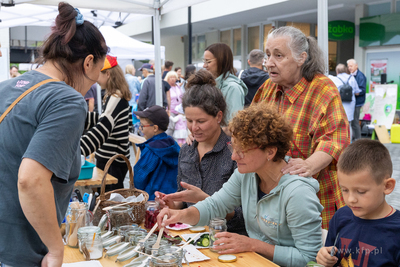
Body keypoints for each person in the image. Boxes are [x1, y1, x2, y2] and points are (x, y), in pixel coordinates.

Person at [0, 3, 108, 266]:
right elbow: (31, 179)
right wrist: (55, 247)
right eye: (93, 80)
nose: (87, 90)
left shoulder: (6, 88)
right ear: (88, 62)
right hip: (21, 253)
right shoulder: (68, 100)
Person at [157, 102, 323, 267]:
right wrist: (179, 215)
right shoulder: (247, 175)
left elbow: (310, 259)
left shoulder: (298, 193)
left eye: (242, 150)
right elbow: (215, 205)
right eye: (233, 148)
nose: (234, 157)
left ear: (270, 152)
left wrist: (253, 244)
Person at [253, 26, 350, 229]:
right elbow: (250, 126)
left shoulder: (323, 88)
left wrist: (308, 165)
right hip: (275, 194)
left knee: (316, 256)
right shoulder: (268, 87)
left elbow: (335, 139)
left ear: (301, 58)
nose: (269, 63)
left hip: (316, 195)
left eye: (278, 56)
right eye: (268, 55)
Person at [155, 70, 249, 236]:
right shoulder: (186, 151)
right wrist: (170, 204)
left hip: (227, 239)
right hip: (191, 237)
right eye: (189, 120)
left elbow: (244, 215)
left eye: (201, 121)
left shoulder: (235, 153)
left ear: (219, 117)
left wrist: (204, 200)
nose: (194, 127)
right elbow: (184, 202)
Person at [316, 139, 399, 267]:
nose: (350, 199)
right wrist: (324, 256)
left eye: (361, 191)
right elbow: (330, 252)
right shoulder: (341, 216)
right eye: (344, 190)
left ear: (387, 186)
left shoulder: (396, 230)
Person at [80, 55, 132, 190]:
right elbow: (103, 118)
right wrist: (78, 117)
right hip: (110, 158)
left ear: (107, 74)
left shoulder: (116, 97)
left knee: (111, 200)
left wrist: (77, 149)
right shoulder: (112, 95)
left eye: (98, 73)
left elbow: (104, 125)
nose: (95, 79)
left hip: (113, 160)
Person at [133, 105, 180, 200]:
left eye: (142, 126)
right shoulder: (173, 145)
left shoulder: (151, 150)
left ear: (155, 128)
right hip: (173, 198)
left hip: (153, 198)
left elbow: (140, 177)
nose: (140, 129)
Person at [203, 43, 248, 125]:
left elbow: (233, 125)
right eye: (204, 61)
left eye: (208, 62)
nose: (204, 65)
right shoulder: (211, 84)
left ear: (221, 61)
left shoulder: (233, 88)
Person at [329, 64, 360, 139]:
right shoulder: (351, 78)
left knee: (339, 124)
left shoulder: (334, 79)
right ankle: (349, 141)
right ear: (346, 70)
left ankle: (341, 140)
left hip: (340, 104)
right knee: (349, 124)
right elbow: (357, 92)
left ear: (337, 71)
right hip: (350, 105)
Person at [347, 59, 367, 141]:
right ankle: (354, 139)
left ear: (356, 65)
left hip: (357, 103)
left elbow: (362, 90)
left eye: (351, 66)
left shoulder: (360, 76)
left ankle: (358, 140)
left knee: (355, 122)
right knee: (351, 122)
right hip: (351, 103)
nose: (349, 68)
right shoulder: (350, 75)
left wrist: (352, 92)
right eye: (348, 66)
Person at [165, 71, 185, 138]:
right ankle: (168, 141)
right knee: (171, 127)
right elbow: (167, 98)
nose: (173, 79)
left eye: (174, 77)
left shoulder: (178, 86)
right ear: (168, 78)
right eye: (171, 77)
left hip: (179, 110)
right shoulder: (167, 87)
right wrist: (168, 110)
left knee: (179, 127)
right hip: (171, 110)